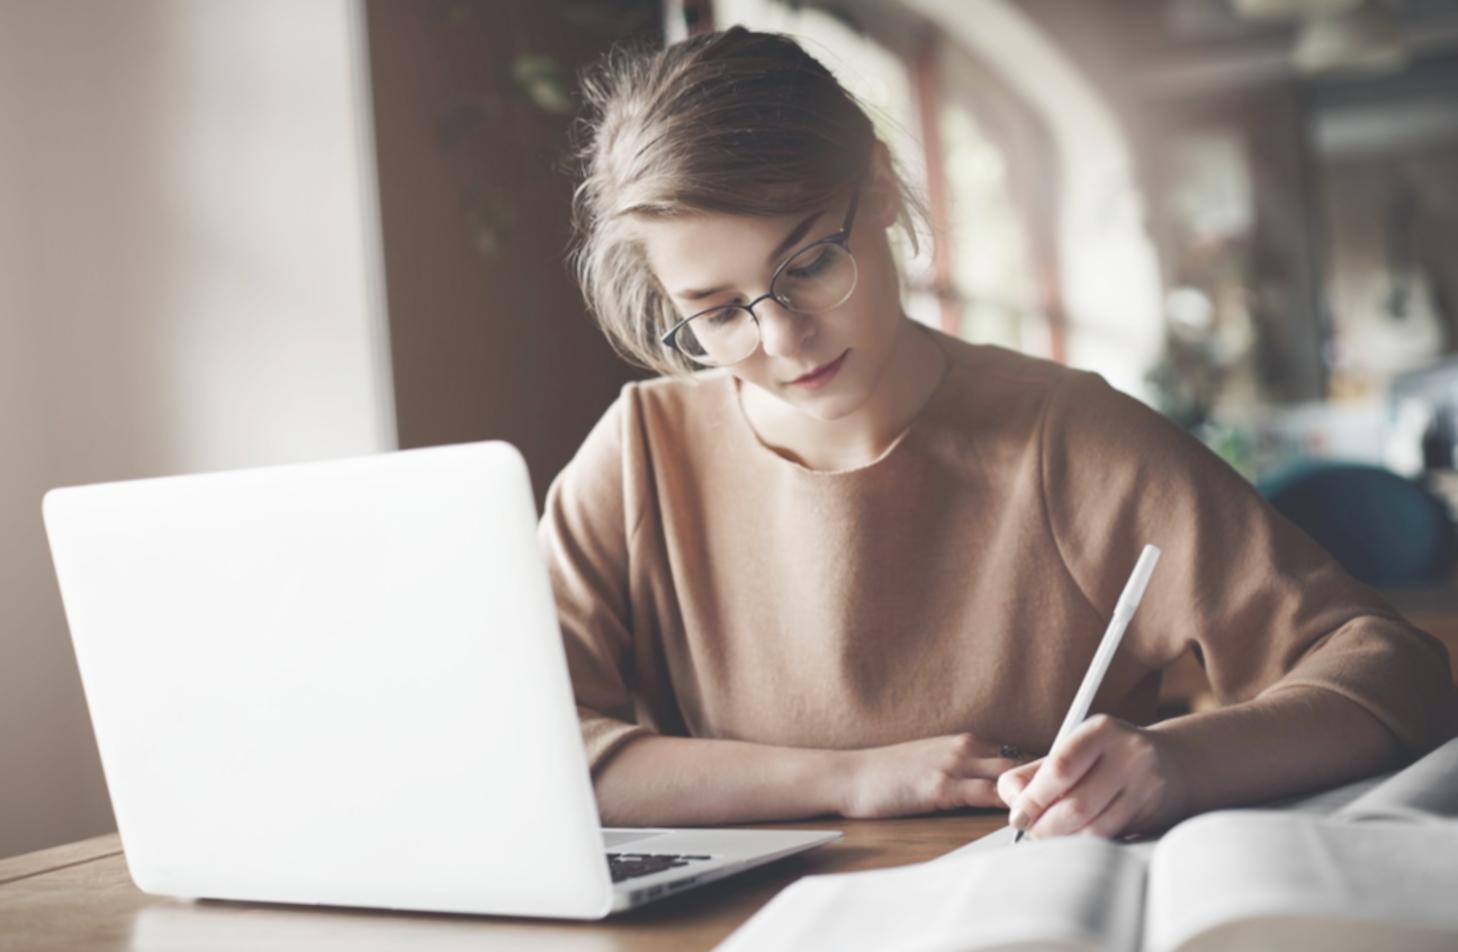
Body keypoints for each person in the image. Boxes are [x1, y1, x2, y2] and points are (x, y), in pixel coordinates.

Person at [542, 26, 1458, 840]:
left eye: (810, 263)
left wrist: (1182, 762)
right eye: (716, 312)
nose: (781, 340)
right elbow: (533, 754)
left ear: (880, 188)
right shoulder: (639, 458)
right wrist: (854, 779)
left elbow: (1396, 674)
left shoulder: (1071, 437)